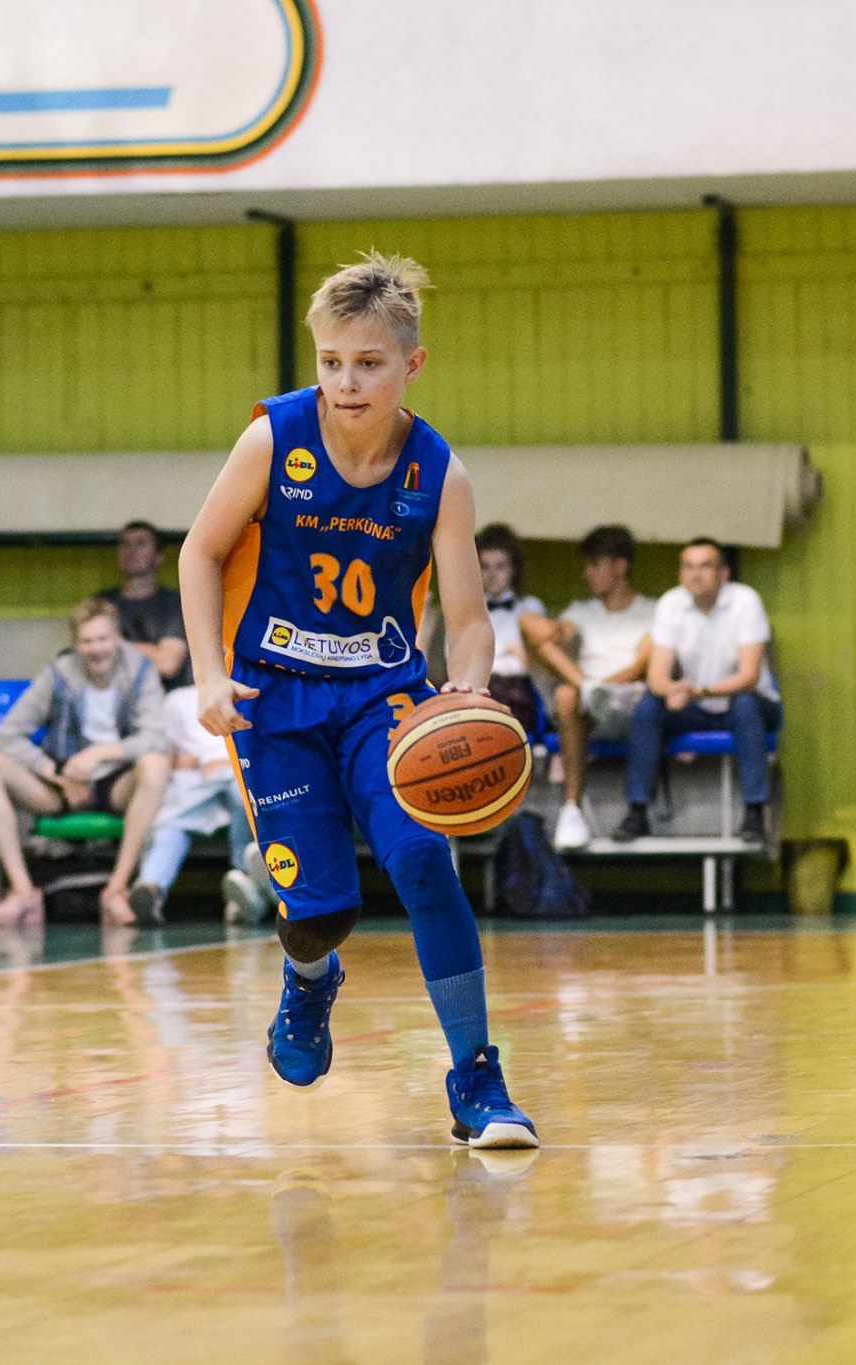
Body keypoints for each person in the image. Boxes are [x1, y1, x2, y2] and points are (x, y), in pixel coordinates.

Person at [179, 251, 538, 1149]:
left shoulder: (438, 474)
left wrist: (468, 687)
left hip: (385, 696)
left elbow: (469, 618)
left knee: (422, 862)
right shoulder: (274, 440)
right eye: (331, 361)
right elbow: (199, 552)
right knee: (321, 913)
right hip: (273, 697)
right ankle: (310, 979)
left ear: (411, 365)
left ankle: (477, 1077)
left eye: (368, 363)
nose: (346, 382)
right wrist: (208, 675)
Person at [0, 598, 172, 928]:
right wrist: (55, 773)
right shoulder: (59, 673)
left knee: (156, 766)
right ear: (77, 644)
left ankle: (117, 889)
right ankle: (23, 891)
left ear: (118, 638)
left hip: (115, 783)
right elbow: (8, 735)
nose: (96, 649)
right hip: (60, 784)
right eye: (87, 641)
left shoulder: (140, 672)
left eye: (103, 639)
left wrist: (101, 753)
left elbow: (156, 738)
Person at [616, 537, 782, 842]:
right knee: (649, 706)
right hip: (695, 703)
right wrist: (672, 691)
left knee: (744, 703)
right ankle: (637, 811)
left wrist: (697, 692)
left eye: (705, 566)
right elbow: (657, 676)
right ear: (681, 574)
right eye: (688, 567)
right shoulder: (671, 603)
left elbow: (748, 677)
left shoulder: (746, 601)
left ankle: (755, 814)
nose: (695, 574)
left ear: (723, 573)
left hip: (751, 705)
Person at [519, 525, 654, 851]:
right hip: (587, 699)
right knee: (567, 693)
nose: (586, 574)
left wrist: (606, 688)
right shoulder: (581, 612)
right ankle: (572, 811)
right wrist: (549, 633)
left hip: (632, 700)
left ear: (620, 566)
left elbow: (642, 665)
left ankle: (590, 689)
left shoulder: (653, 610)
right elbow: (538, 629)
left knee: (574, 694)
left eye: (594, 565)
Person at [123, 683, 277, 926]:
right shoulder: (177, 699)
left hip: (241, 769)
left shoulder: (248, 687)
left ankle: (244, 881)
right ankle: (151, 887)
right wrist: (180, 765)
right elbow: (168, 750)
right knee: (171, 818)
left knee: (245, 798)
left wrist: (230, 762)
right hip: (197, 777)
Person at [101, 520, 192, 690]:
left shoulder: (175, 603)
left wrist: (115, 646)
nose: (131, 551)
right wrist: (152, 652)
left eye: (141, 544)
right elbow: (89, 660)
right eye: (125, 544)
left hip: (169, 694)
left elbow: (167, 665)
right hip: (116, 694)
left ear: (159, 557)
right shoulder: (101, 603)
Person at [475, 524, 545, 734]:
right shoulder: (468, 610)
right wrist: (509, 648)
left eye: (500, 567)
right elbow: (453, 658)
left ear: (513, 569)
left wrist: (493, 651)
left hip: (519, 690)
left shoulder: (531, 607)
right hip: (478, 689)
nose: (492, 575)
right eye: (484, 567)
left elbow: (536, 664)